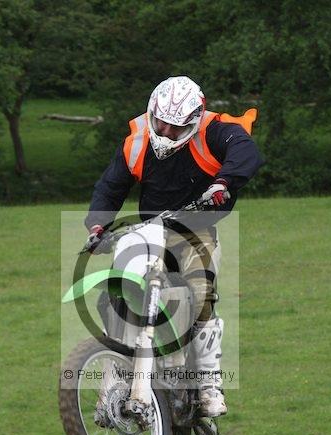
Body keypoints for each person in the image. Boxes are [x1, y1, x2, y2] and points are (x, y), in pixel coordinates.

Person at [85, 75, 264, 417]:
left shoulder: (215, 131)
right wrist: (97, 225)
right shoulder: (137, 143)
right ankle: (112, 380)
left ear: (194, 122)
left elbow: (245, 150)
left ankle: (209, 383)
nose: (165, 132)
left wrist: (224, 182)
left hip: (196, 230)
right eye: (161, 123)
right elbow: (109, 187)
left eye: (176, 127)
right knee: (116, 294)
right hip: (149, 232)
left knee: (201, 292)